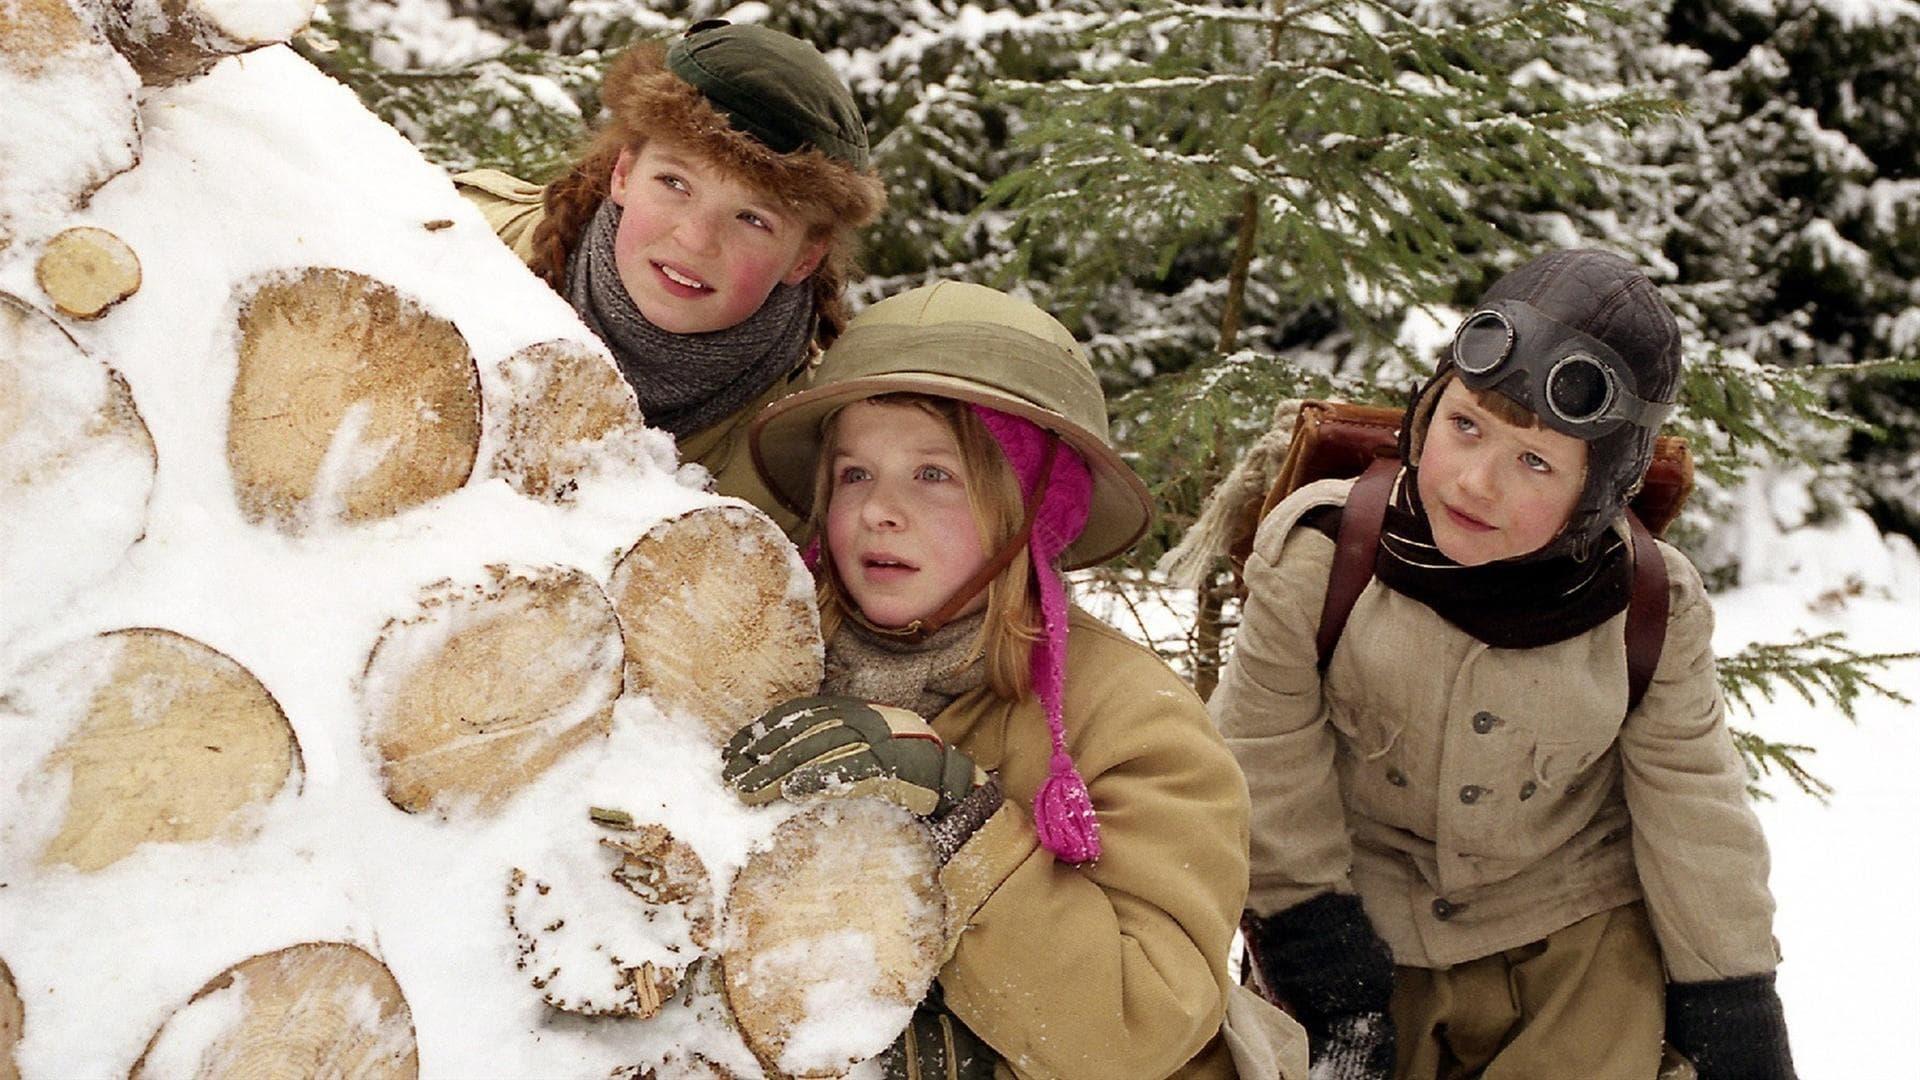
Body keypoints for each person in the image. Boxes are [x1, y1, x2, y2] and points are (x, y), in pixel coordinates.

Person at [1212, 249, 1796, 1080]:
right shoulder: (1320, 555)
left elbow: (1693, 803)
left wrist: (1735, 998)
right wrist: (1316, 952)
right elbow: (1262, 758)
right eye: (1465, 426)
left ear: (1597, 492)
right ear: (1427, 411)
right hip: (1369, 921)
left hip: (1574, 934)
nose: (1477, 482)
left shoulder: (1654, 606)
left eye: (1536, 462)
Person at [723, 280, 1304, 1079]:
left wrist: (961, 821)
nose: (879, 511)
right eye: (855, 474)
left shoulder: (1138, 721)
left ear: (1034, 508)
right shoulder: (756, 656)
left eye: (934, 475)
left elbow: (1139, 1028)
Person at [454, 20, 884, 531]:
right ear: (623, 172)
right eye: (675, 182)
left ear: (804, 258)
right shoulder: (454, 244)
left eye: (753, 219)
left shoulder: (797, 465)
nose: (696, 239)